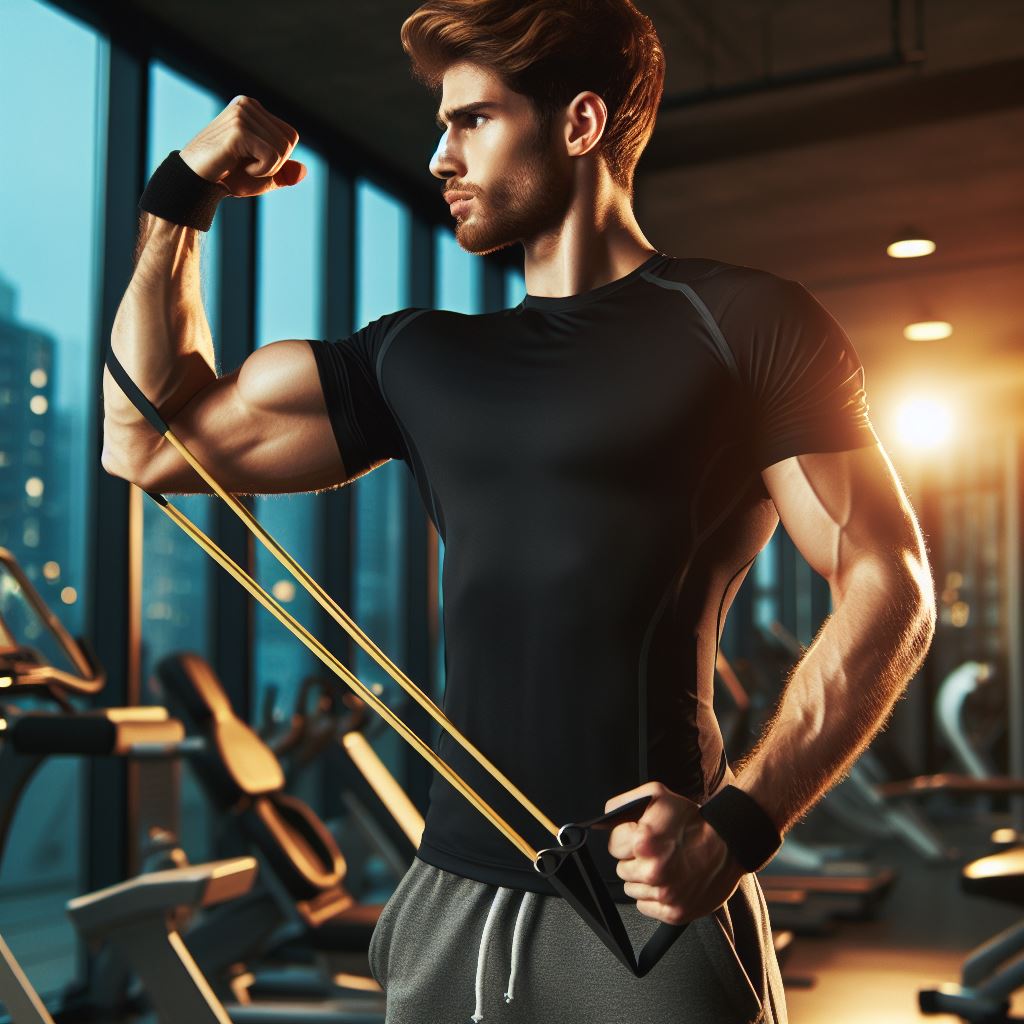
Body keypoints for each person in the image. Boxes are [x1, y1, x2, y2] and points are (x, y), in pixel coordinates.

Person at [101, 1, 937, 1021]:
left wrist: (736, 828)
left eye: (473, 121)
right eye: (442, 123)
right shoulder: (417, 355)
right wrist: (180, 193)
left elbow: (888, 584)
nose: (439, 155)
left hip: (645, 903)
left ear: (580, 125)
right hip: (447, 900)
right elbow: (146, 438)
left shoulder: (743, 325)